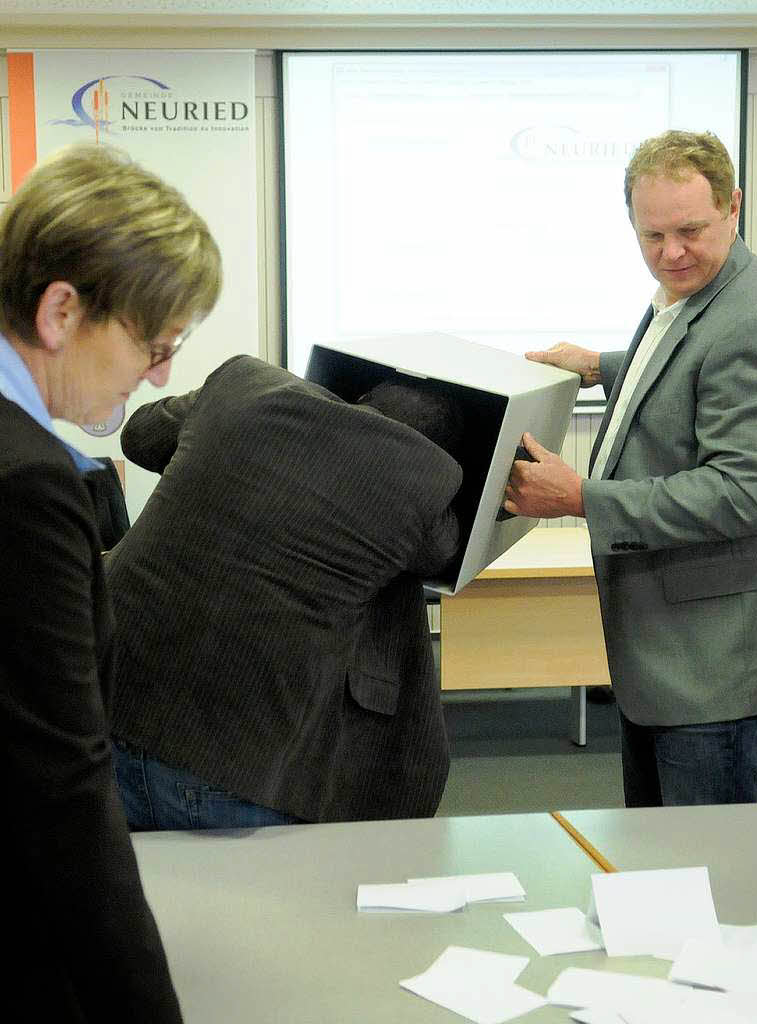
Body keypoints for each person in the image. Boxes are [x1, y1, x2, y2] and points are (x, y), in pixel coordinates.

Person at [505, 130, 757, 807]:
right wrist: (599, 366)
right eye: (650, 235)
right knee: (661, 873)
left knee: (705, 885)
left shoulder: (752, 323)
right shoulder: (700, 293)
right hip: (673, 658)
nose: (670, 253)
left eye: (689, 230)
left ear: (732, 207)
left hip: (708, 668)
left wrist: (580, 499)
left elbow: (738, 495)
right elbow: (688, 372)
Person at [0, 143, 221, 1020]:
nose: (161, 375)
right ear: (62, 311)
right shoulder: (24, 482)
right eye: (155, 343)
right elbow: (58, 782)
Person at [105, 354, 464, 829]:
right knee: (233, 902)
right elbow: (447, 553)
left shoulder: (243, 384)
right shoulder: (426, 481)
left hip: (100, 708)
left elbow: (141, 435)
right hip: (229, 760)